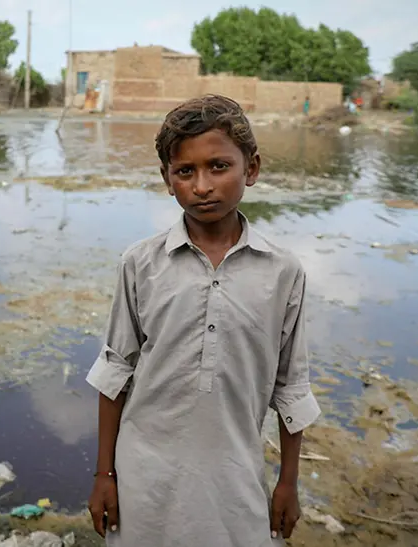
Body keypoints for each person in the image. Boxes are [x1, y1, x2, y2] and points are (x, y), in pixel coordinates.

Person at [86, 94, 321, 547]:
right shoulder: (141, 264)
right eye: (184, 171)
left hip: (234, 477)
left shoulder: (282, 272)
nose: (202, 186)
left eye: (218, 166)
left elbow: (291, 386)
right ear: (166, 179)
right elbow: (115, 372)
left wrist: (288, 482)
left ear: (251, 168)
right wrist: (104, 474)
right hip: (144, 476)